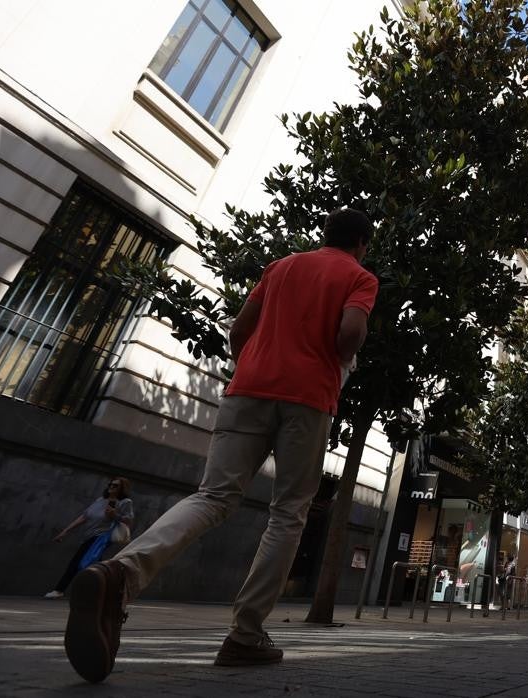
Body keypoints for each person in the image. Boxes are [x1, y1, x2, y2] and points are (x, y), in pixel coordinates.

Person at [62, 208, 379, 683]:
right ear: (362, 244)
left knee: (213, 496)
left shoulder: (281, 267)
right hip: (308, 399)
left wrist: (254, 364)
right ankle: (245, 636)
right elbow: (350, 333)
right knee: (289, 512)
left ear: (325, 235)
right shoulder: (359, 277)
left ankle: (120, 574)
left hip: (247, 391)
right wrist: (335, 359)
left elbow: (238, 332)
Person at [46, 477, 136, 599]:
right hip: (89, 535)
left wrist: (115, 515)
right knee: (92, 564)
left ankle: (59, 590)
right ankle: (102, 592)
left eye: (115, 486)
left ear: (122, 488)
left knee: (78, 562)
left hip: (101, 537)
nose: (111, 487)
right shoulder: (101, 500)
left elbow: (129, 521)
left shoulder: (125, 502)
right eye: (110, 484)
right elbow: (84, 517)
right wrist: (65, 531)